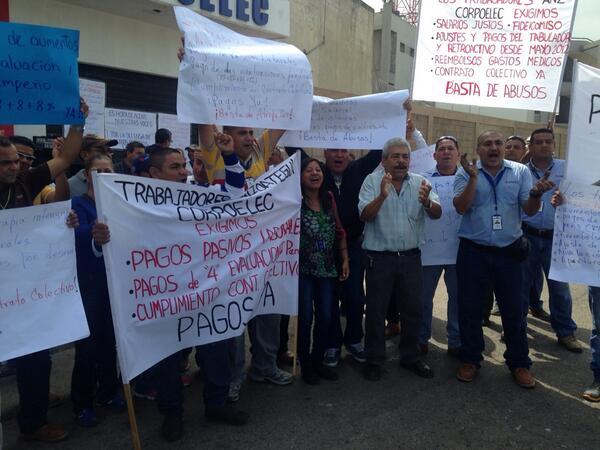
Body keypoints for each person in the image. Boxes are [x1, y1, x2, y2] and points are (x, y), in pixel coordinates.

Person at [93, 133, 248, 442]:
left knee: (216, 352)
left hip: (205, 293)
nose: (183, 172)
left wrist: (230, 156)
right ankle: (172, 414)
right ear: (154, 174)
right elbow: (109, 249)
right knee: (166, 361)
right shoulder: (131, 206)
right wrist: (99, 242)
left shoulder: (198, 193)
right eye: (175, 167)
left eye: (183, 166)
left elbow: (235, 192)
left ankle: (216, 405)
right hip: (163, 300)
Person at [0, 99, 87, 442]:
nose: (12, 167)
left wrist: (76, 121)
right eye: (4, 163)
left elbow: (66, 159)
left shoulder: (25, 182)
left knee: (36, 359)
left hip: (21, 296)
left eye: (15, 162)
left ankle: (34, 423)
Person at [453, 130, 555, 388]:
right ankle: (470, 359)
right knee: (470, 309)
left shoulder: (519, 172)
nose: (494, 148)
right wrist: (474, 178)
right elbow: (461, 207)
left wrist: (535, 195)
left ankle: (519, 363)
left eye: (498, 143)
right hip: (473, 251)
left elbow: (529, 211)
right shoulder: (465, 171)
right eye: (487, 144)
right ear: (479, 149)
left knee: (514, 310)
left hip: (509, 252)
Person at [359, 137, 441, 381]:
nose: (401, 161)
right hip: (379, 260)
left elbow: (437, 213)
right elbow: (364, 215)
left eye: (405, 156)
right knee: (375, 312)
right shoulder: (372, 182)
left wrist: (427, 202)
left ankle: (410, 357)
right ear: (384, 160)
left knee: (413, 311)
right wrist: (382, 196)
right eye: (395, 156)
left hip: (411, 259)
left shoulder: (420, 183)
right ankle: (374, 359)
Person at [70, 154, 124, 427]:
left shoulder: (120, 204)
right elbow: (76, 238)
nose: (103, 174)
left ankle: (108, 392)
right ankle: (81, 402)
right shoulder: (77, 204)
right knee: (88, 347)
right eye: (97, 170)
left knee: (109, 343)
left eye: (108, 170)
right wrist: (94, 238)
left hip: (114, 287)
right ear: (86, 176)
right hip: (89, 286)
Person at [521, 128, 581, 351]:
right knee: (520, 286)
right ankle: (516, 328)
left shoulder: (567, 169)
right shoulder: (521, 172)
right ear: (531, 147)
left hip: (556, 238)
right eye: (538, 142)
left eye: (548, 141)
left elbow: (585, 195)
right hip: (527, 235)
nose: (544, 145)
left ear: (554, 145)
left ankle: (565, 332)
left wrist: (568, 200)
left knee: (559, 288)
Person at [298, 158, 349, 384]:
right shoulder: (295, 201)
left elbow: (339, 230)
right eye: (309, 170)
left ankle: (318, 361)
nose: (314, 173)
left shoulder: (328, 198)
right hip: (303, 271)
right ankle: (305, 363)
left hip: (327, 269)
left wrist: (345, 258)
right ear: (300, 176)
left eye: (318, 169)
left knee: (326, 316)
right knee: (305, 318)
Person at [419, 136, 461, 357]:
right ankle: (421, 338)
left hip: (460, 251)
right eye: (441, 149)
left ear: (458, 154)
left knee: (457, 299)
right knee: (424, 298)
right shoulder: (422, 180)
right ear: (434, 155)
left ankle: (455, 341)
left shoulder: (470, 179)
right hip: (429, 252)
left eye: (450, 149)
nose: (446, 152)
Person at [33, 138, 71, 205]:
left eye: (29, 158)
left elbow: (60, 200)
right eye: (20, 155)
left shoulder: (34, 182)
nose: (24, 160)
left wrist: (58, 160)